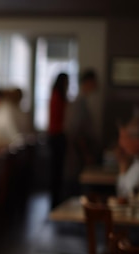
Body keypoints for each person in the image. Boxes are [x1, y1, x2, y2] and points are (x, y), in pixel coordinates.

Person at [63, 68, 100, 199]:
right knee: (77, 192)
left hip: (80, 154)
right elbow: (77, 134)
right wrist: (86, 155)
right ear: (88, 82)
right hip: (78, 156)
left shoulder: (82, 102)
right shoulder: (79, 103)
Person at [47, 72, 69, 208]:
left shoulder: (57, 95)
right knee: (56, 171)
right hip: (56, 136)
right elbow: (57, 119)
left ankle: (56, 200)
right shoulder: (57, 96)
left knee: (57, 171)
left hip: (56, 135)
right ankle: (55, 201)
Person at [116, 113, 139, 198]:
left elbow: (124, 196)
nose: (121, 143)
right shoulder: (135, 163)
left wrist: (122, 170)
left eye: (125, 137)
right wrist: (123, 168)